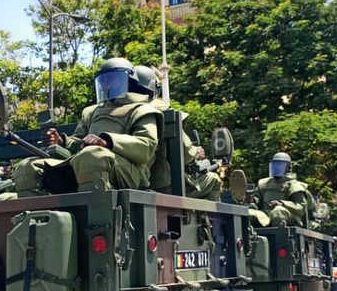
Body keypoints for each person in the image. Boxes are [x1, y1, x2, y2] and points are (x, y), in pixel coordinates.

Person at [12, 57, 163, 195]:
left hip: (129, 172)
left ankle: (98, 221)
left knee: (92, 155)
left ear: (128, 81)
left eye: (112, 79)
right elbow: (79, 144)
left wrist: (106, 141)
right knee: (28, 167)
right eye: (103, 80)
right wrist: (62, 142)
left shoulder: (143, 110)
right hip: (86, 163)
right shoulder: (92, 112)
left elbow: (146, 147)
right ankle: (37, 220)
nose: (106, 84)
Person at [134, 65, 222, 200]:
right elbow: (186, 153)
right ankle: (199, 220)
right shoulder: (159, 109)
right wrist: (195, 152)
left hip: (134, 182)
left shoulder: (118, 109)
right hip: (164, 186)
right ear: (154, 88)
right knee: (214, 179)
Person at [249, 152, 314, 227]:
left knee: (278, 211)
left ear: (288, 167)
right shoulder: (263, 183)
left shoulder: (294, 185)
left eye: (279, 165)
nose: (276, 168)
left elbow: (300, 206)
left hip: (288, 216)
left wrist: (282, 203)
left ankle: (280, 237)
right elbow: (258, 199)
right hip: (265, 214)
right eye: (274, 165)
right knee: (249, 213)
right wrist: (254, 200)